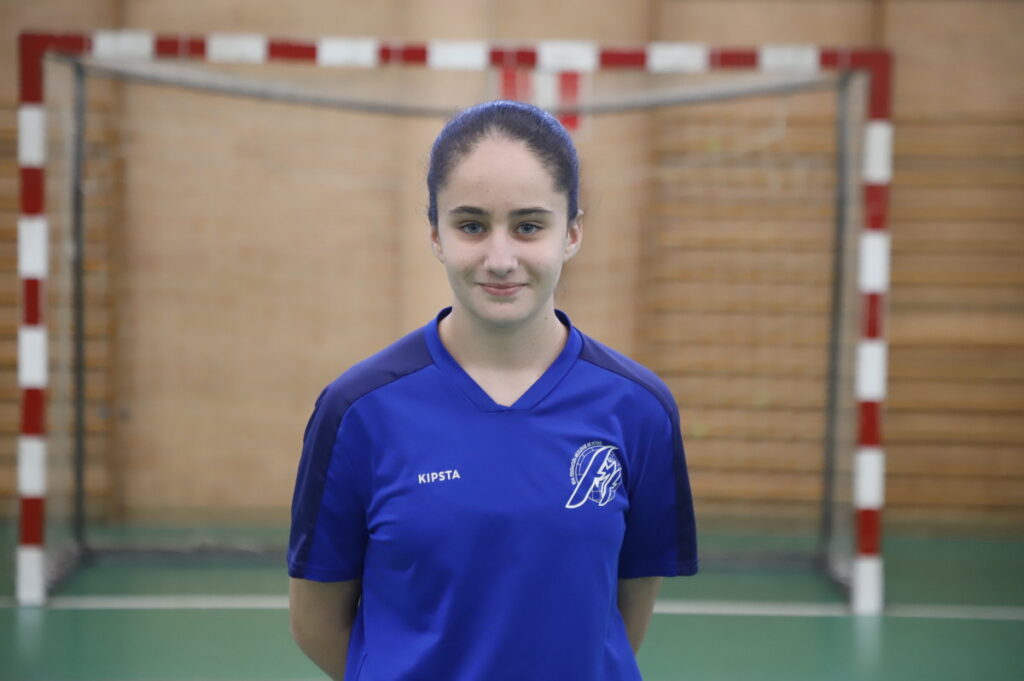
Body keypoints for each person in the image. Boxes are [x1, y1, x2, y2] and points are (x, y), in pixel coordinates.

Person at [287, 100, 698, 681]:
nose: (500, 258)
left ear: (573, 231)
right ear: (435, 232)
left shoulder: (638, 410)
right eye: (471, 225)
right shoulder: (357, 412)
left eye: (529, 226)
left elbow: (625, 611)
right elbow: (316, 623)